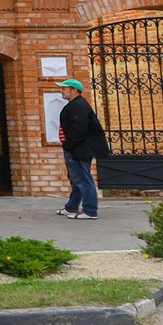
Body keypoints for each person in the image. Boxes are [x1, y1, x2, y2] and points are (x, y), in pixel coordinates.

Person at [54, 76, 110, 220]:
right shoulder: (75, 104)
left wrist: (68, 145)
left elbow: (78, 129)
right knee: (77, 179)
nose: (62, 91)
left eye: (64, 88)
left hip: (79, 149)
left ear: (74, 90)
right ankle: (71, 207)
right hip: (77, 148)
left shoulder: (78, 106)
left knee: (83, 180)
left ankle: (90, 210)